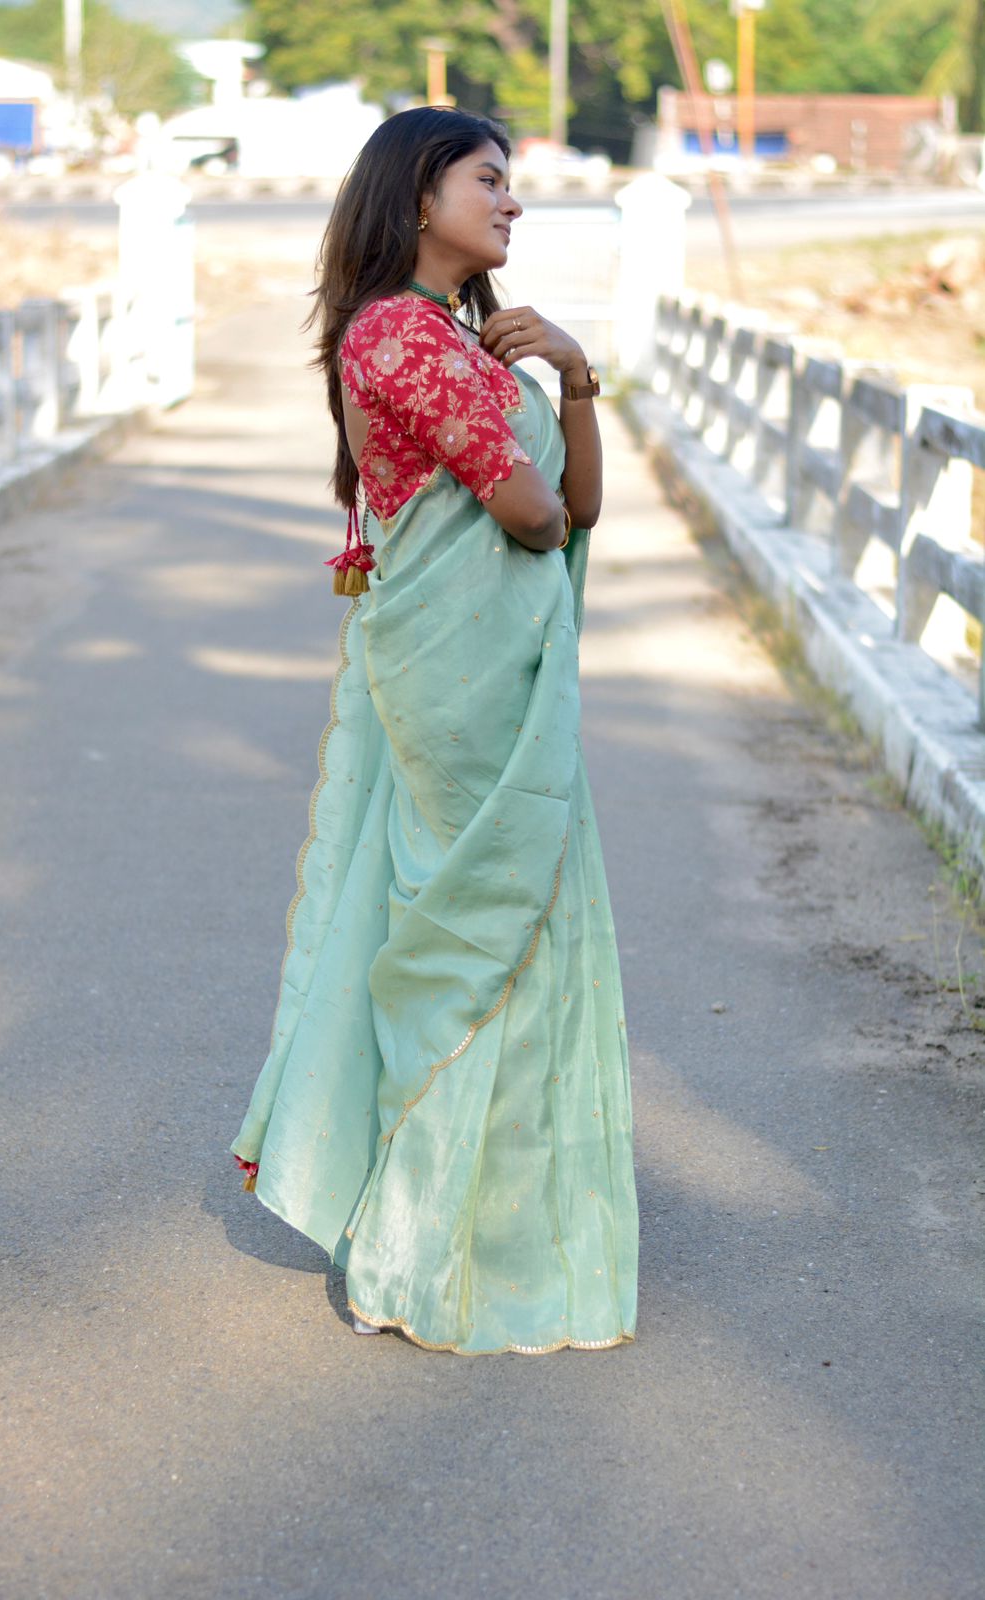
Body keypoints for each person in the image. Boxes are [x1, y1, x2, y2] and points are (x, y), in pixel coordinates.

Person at [230, 106, 639, 1355]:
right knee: (476, 933)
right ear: (418, 195)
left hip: (486, 664)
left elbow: (577, 500)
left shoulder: (468, 340)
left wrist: (573, 374)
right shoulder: (394, 336)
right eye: (489, 180)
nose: (511, 204)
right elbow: (527, 522)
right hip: (452, 671)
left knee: (511, 928)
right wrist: (533, 393)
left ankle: (495, 1229)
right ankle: (427, 1246)